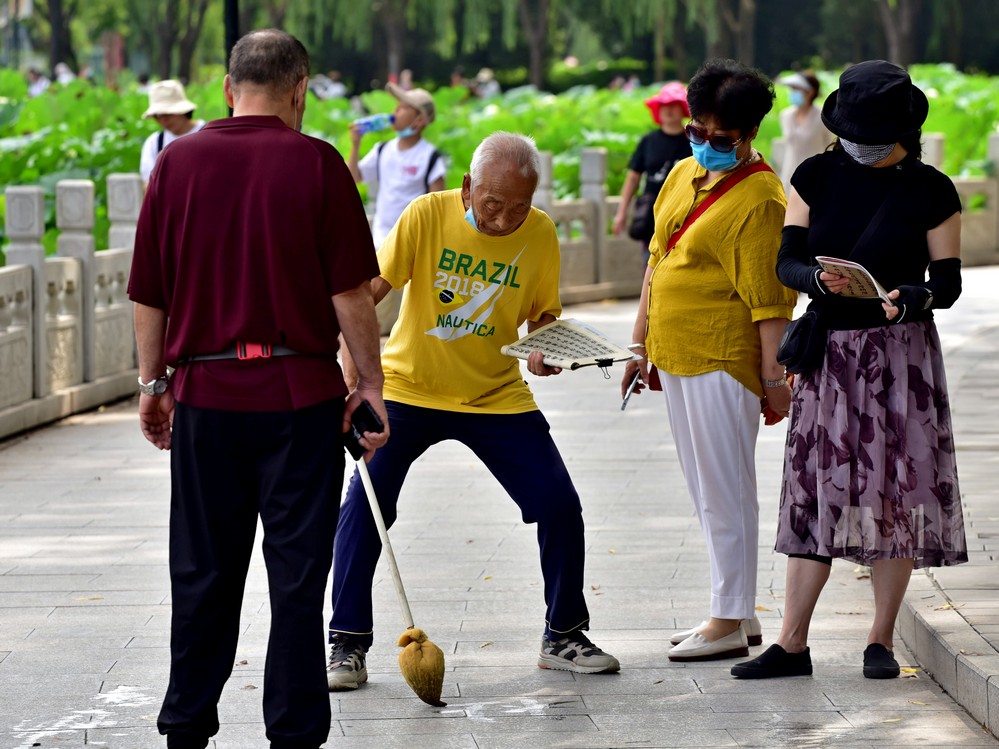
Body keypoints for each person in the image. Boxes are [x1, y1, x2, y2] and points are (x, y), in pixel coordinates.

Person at [128, 29, 388, 748]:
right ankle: (294, 733)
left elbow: (149, 292)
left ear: (226, 88)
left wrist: (153, 383)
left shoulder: (176, 162)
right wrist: (369, 384)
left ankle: (186, 727)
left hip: (206, 393)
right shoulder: (319, 162)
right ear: (300, 89)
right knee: (298, 578)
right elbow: (351, 294)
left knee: (202, 572)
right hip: (298, 395)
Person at [326, 131, 620, 691]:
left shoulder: (541, 232)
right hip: (409, 389)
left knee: (559, 504)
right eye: (493, 204)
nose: (505, 219)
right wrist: (352, 369)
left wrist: (546, 351)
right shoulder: (425, 215)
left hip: (496, 394)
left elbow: (543, 317)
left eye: (519, 207)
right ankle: (347, 644)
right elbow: (368, 291)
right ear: (466, 188)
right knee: (365, 506)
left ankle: (564, 634)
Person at [731, 59, 968, 681]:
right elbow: (786, 262)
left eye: (875, 137)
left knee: (897, 493)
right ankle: (791, 643)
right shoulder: (814, 175)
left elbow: (947, 283)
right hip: (830, 354)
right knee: (815, 491)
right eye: (855, 135)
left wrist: (913, 297)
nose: (863, 147)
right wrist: (815, 278)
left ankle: (880, 640)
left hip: (901, 358)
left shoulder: (932, 189)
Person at [621, 58, 796, 662]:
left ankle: (726, 618)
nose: (705, 144)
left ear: (750, 135)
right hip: (675, 352)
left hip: (723, 356)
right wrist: (638, 343)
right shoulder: (681, 172)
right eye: (698, 131)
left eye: (722, 139)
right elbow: (656, 259)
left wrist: (775, 379)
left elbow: (770, 302)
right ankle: (739, 610)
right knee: (705, 488)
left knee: (726, 489)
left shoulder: (761, 199)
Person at [348, 83, 446, 250]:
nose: (395, 112)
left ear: (420, 120)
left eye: (403, 108)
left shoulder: (431, 157)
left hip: (412, 245)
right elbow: (353, 177)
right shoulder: (382, 149)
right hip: (380, 242)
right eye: (396, 107)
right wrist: (356, 144)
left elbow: (437, 209)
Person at [612, 81, 693, 264]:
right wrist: (622, 213)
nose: (668, 109)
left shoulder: (694, 142)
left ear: (682, 108)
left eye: (673, 104)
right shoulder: (648, 141)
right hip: (652, 213)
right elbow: (633, 177)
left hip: (684, 211)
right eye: (664, 105)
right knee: (651, 261)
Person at [139, 80, 206, 184]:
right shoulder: (154, 142)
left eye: (168, 113)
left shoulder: (207, 134)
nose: (163, 119)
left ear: (182, 110)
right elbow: (149, 185)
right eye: (158, 115)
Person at [777, 71, 832, 194]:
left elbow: (830, 146)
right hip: (789, 174)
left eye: (796, 89)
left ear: (810, 92)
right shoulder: (785, 115)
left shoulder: (823, 116)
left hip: (815, 175)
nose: (792, 92)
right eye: (792, 89)